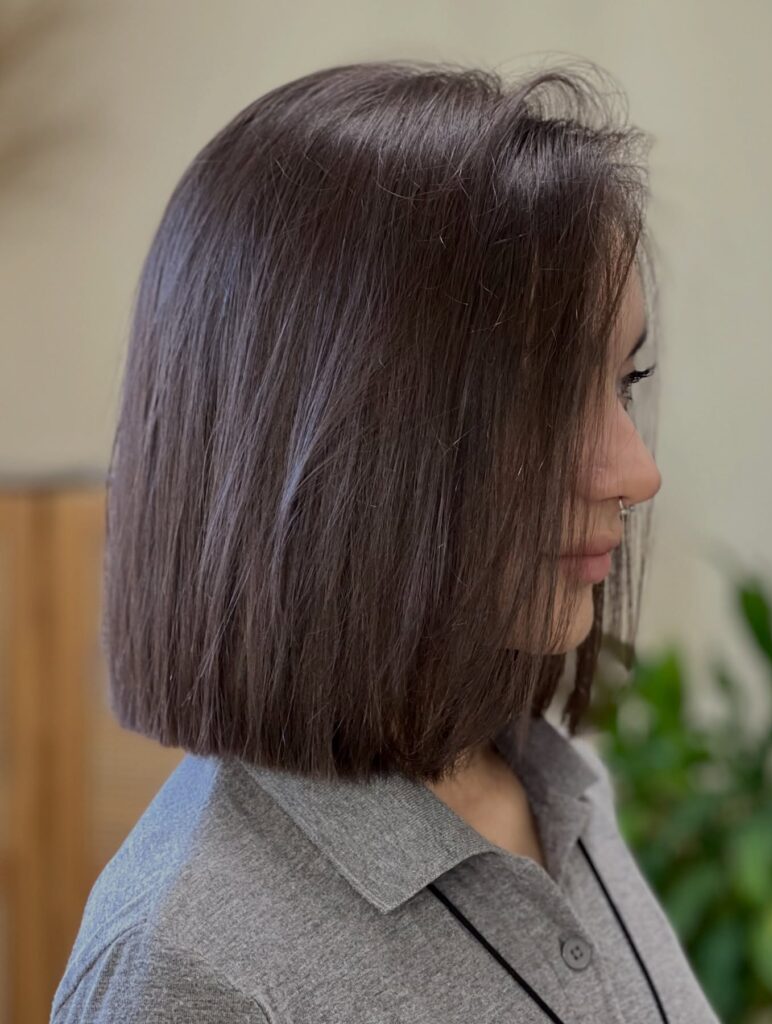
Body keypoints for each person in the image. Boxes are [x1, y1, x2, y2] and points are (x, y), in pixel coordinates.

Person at [51, 58, 722, 1022]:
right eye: (538, 397)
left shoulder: (554, 788)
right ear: (323, 440)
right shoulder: (183, 969)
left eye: (619, 385)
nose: (635, 473)